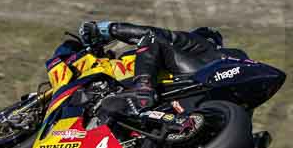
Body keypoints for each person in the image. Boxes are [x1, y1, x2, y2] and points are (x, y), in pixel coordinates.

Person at [78, 21, 227, 117]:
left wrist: (109, 29)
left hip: (194, 75)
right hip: (198, 101)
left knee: (152, 38)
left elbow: (159, 34)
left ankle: (143, 86)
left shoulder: (197, 45)